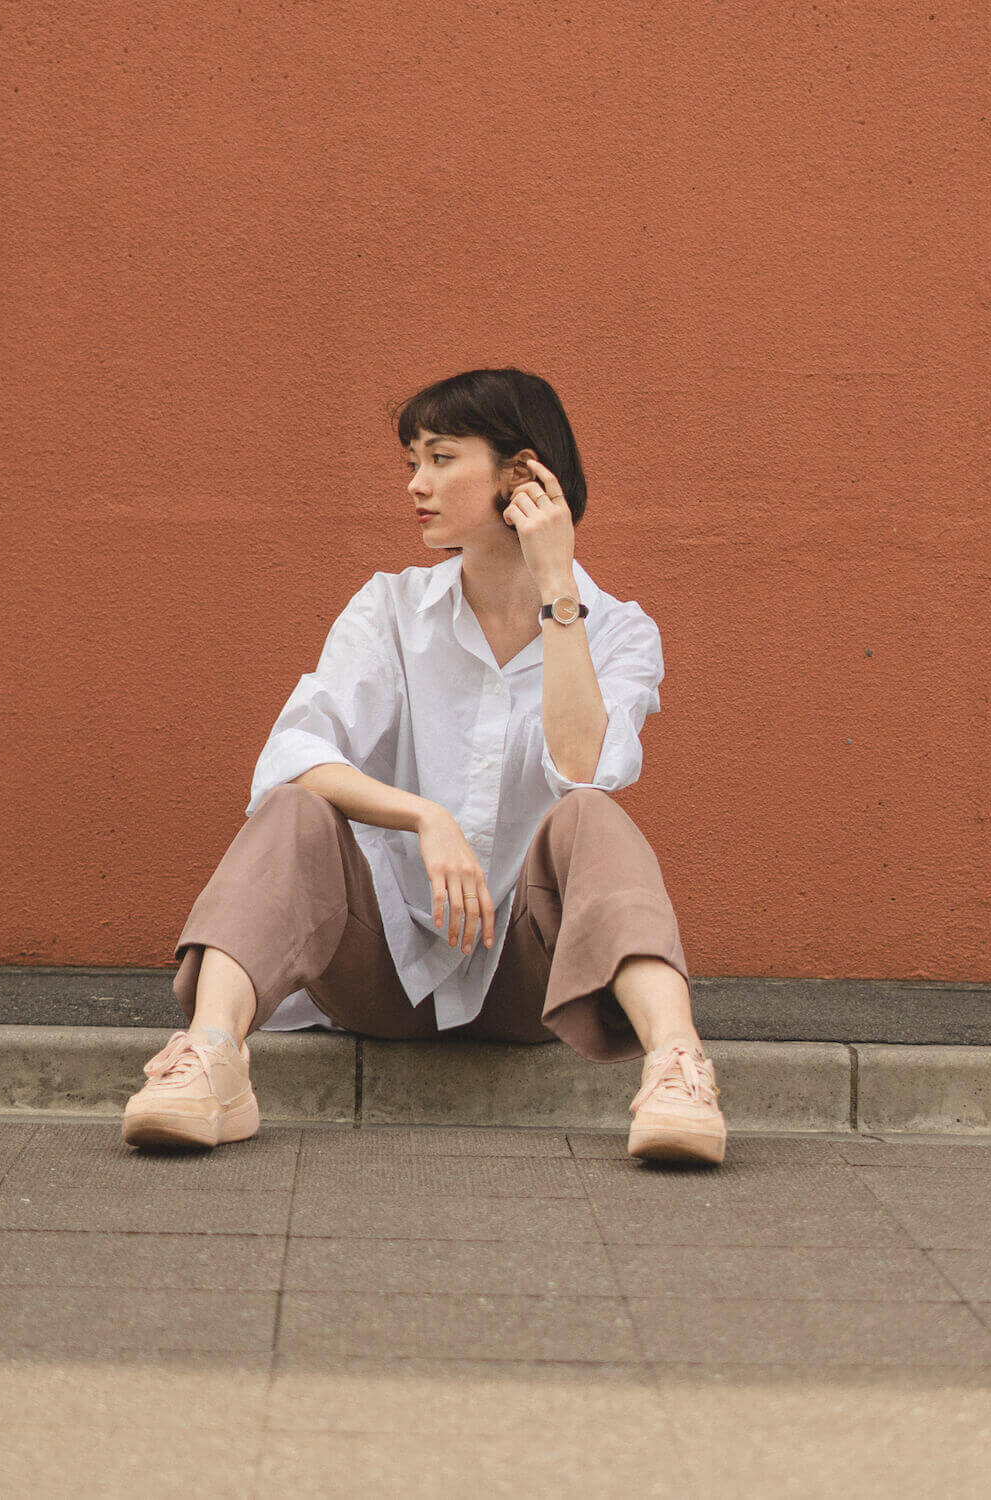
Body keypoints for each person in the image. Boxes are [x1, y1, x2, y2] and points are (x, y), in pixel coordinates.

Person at [123, 368, 726, 1164]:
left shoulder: (618, 632)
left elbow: (584, 768)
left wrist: (557, 590)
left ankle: (678, 1071)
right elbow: (292, 755)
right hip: (381, 968)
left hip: (528, 980)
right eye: (412, 460)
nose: (417, 484)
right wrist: (423, 817)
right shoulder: (390, 608)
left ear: (522, 473)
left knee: (591, 814)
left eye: (442, 457)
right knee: (296, 808)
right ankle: (210, 1062)